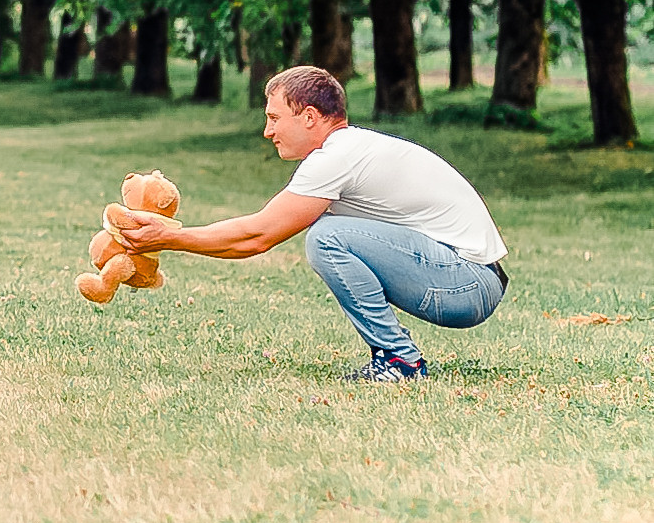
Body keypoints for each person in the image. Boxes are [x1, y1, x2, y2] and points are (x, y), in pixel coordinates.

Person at [116, 65, 507, 382]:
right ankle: (395, 357)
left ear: (308, 117)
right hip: (467, 279)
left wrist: (169, 237)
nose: (267, 131)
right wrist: (168, 238)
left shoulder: (336, 157)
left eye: (274, 118)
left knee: (326, 239)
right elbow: (259, 232)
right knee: (327, 233)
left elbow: (258, 236)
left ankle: (399, 360)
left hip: (467, 284)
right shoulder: (347, 150)